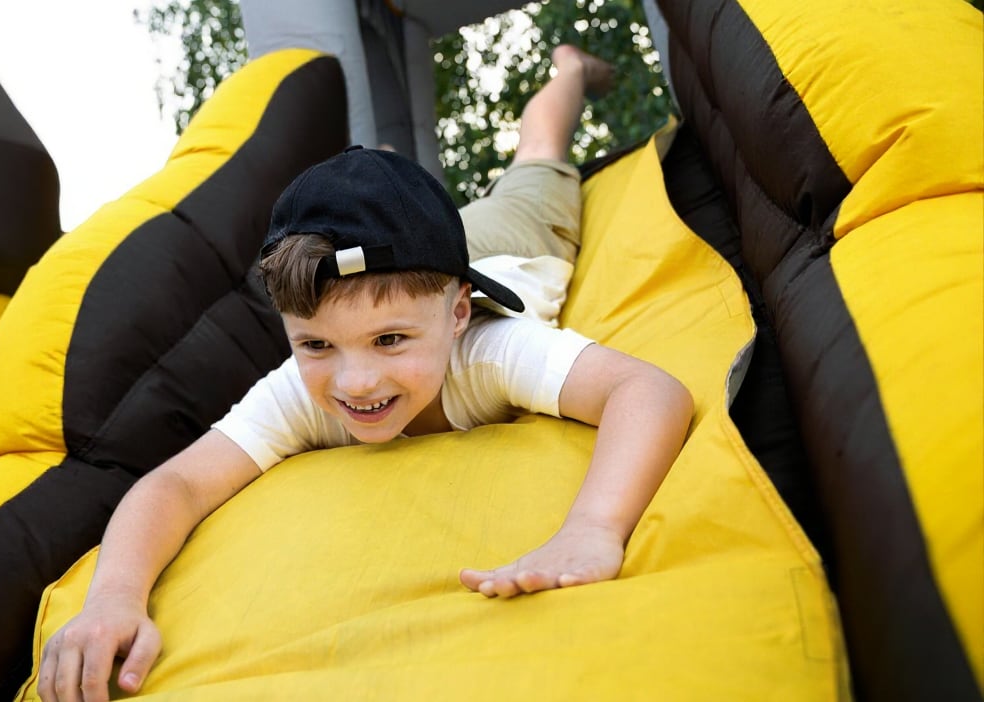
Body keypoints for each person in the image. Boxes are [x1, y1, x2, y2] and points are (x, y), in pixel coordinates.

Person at [39, 45, 693, 702]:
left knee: (537, 152)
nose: (355, 382)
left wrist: (593, 527)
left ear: (458, 314)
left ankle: (571, 71)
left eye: (388, 340)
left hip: (514, 235)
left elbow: (648, 390)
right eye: (318, 344)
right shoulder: (303, 391)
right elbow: (177, 484)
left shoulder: (488, 352)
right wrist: (115, 597)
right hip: (422, 266)